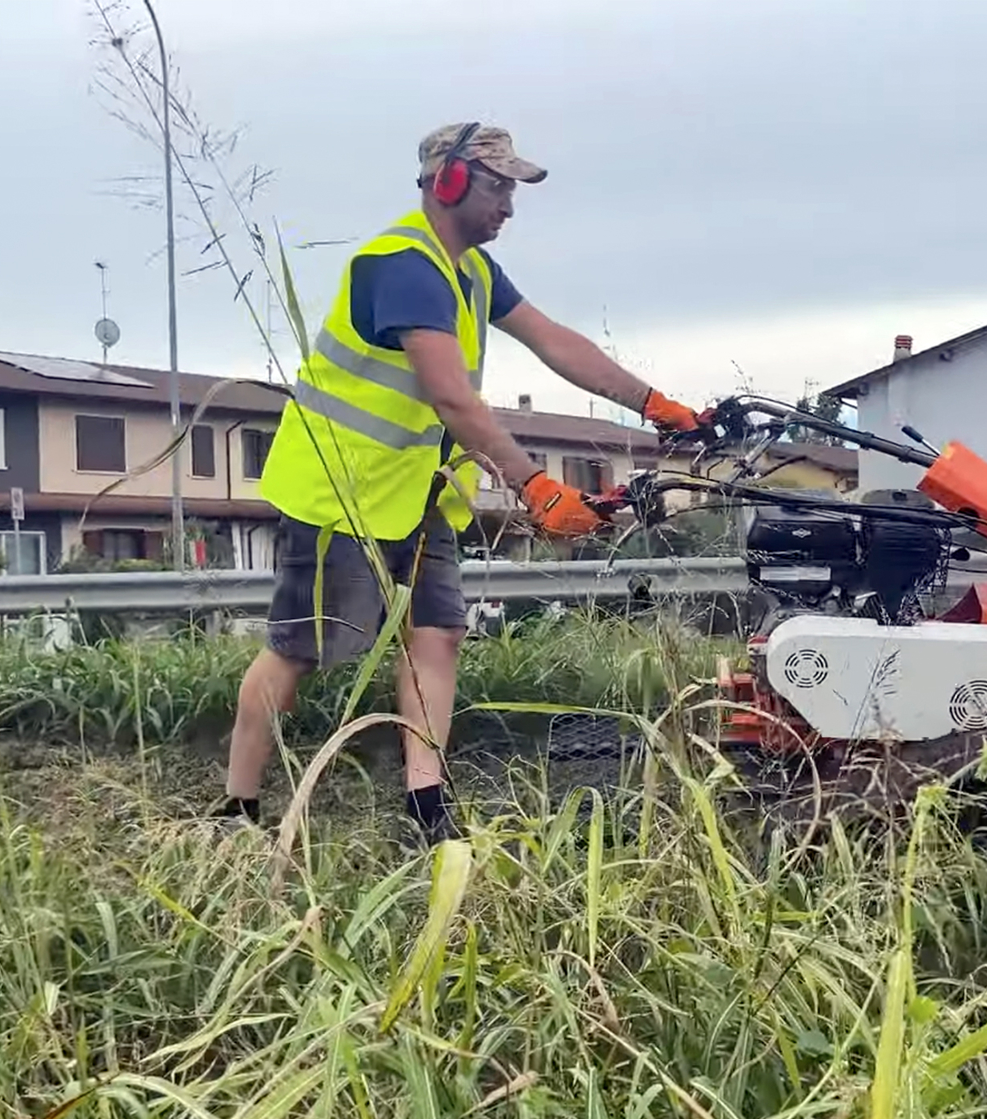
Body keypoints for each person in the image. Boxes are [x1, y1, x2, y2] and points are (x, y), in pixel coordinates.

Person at [216, 120, 704, 843]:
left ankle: (426, 808)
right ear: (446, 182)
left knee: (438, 635)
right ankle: (237, 808)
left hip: (420, 492)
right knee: (301, 650)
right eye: (496, 185)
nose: (509, 203)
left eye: (514, 188)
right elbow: (451, 397)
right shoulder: (403, 265)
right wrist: (536, 487)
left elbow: (553, 340)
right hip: (342, 493)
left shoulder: (472, 270)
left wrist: (654, 404)